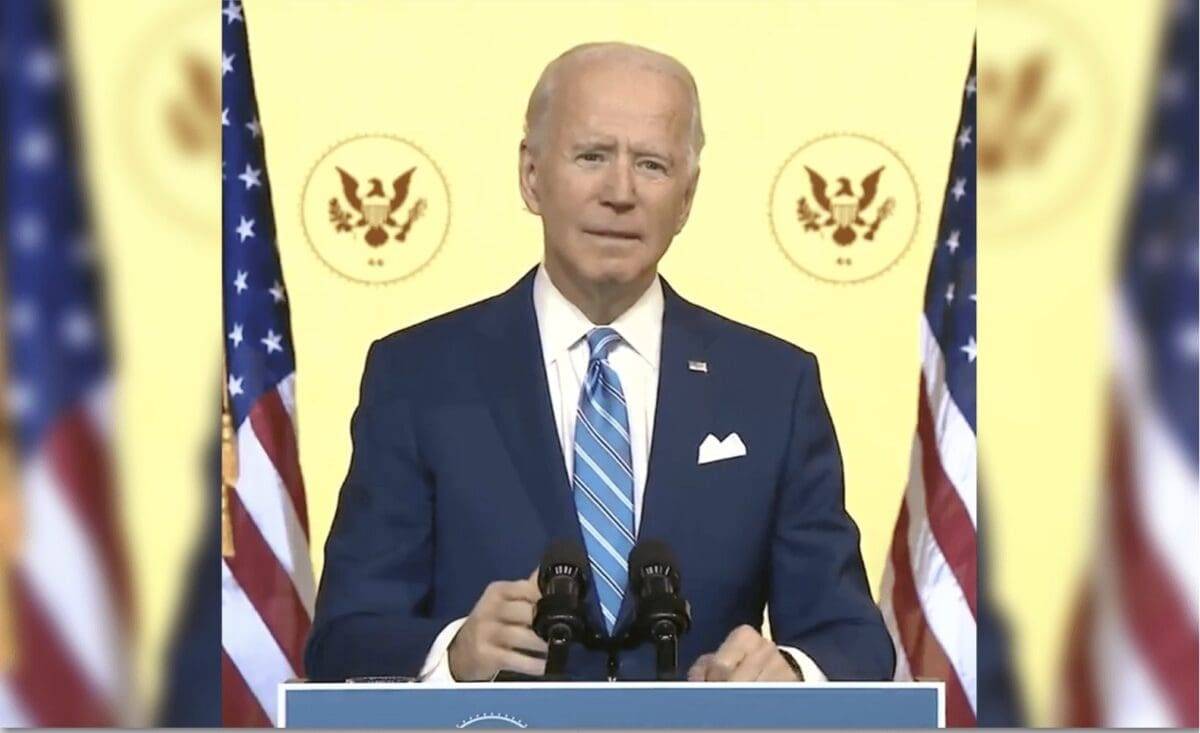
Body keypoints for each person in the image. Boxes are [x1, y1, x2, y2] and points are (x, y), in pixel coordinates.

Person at [305, 42, 893, 683]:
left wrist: (791, 674)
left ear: (687, 197)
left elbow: (853, 638)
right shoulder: (417, 377)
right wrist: (453, 653)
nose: (620, 192)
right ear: (532, 175)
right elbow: (345, 638)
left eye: (652, 164)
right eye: (592, 156)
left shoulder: (773, 387)